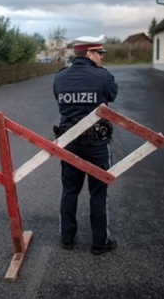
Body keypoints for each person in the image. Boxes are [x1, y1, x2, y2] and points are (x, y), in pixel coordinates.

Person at [53, 34, 118, 255]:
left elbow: (58, 98)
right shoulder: (103, 76)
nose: (101, 58)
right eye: (99, 53)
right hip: (98, 144)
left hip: (69, 142)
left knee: (69, 190)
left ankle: (67, 239)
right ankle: (100, 242)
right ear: (89, 53)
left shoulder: (60, 77)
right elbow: (113, 95)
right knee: (98, 192)